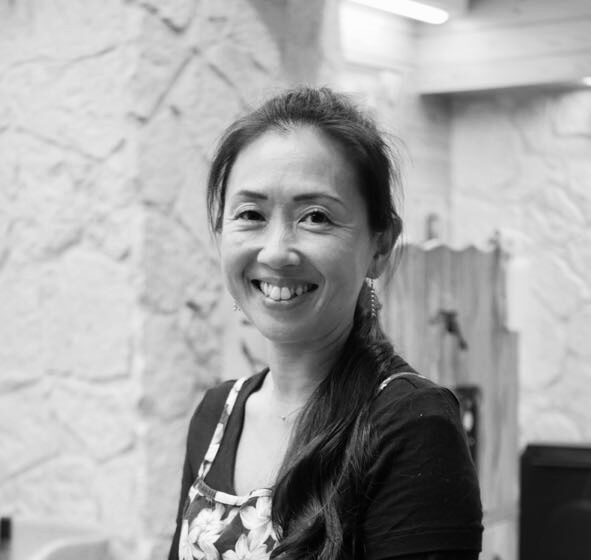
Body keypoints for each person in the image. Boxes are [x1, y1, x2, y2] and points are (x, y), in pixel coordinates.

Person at [168, 87, 482, 560]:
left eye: (316, 217)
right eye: (250, 214)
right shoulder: (217, 414)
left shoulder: (411, 426)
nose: (277, 251)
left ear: (380, 246)